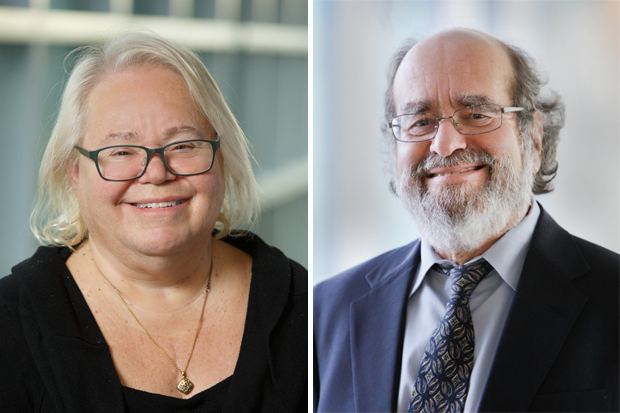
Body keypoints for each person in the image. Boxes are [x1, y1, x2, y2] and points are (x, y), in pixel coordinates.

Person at [314, 28, 618, 412]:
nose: (445, 144)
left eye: (476, 114)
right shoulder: (326, 312)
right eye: (420, 121)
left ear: (534, 136)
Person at [0, 32, 307, 412]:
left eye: (183, 145)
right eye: (121, 150)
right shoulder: (8, 328)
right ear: (74, 175)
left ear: (222, 159)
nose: (157, 173)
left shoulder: (309, 310)